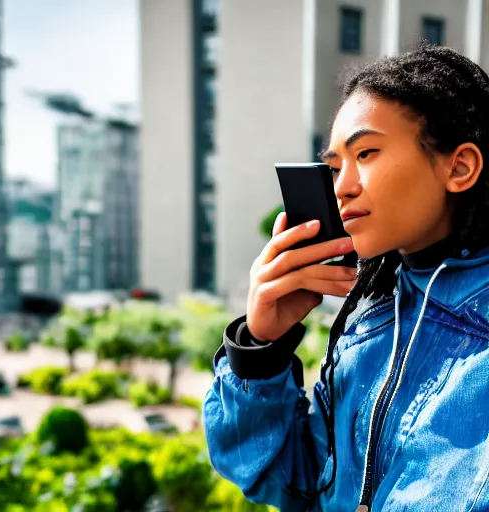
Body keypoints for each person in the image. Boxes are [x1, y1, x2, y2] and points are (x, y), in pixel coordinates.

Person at [202, 42, 489, 512]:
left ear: (459, 167)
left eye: (367, 153)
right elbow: (293, 485)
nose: (343, 186)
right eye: (335, 167)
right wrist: (261, 347)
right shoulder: (369, 326)